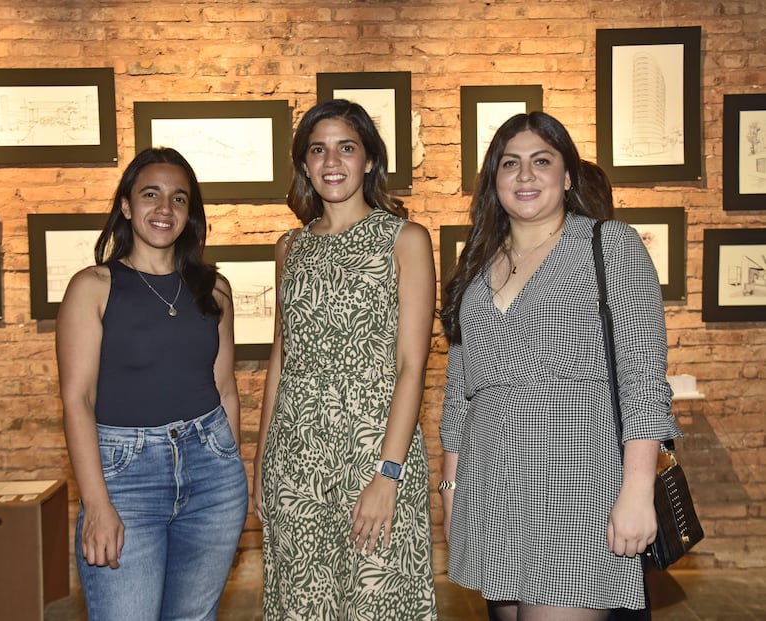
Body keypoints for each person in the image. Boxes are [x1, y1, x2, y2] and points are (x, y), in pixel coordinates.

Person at [439, 111, 681, 620]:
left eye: (541, 161)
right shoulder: (475, 269)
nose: (525, 176)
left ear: (567, 176)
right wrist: (452, 494)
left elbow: (642, 381)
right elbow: (460, 396)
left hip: (577, 486)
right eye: (511, 164)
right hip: (490, 490)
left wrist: (637, 491)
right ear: (494, 181)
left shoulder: (609, 246)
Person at [253, 99, 438, 619]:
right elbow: (281, 356)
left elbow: (411, 367)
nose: (332, 161)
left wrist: (388, 474)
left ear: (370, 161)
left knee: (379, 600)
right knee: (303, 603)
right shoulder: (290, 247)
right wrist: (263, 461)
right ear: (305, 166)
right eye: (318, 150)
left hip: (374, 449)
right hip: (297, 455)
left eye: (346, 148)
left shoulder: (406, 240)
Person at [57, 147, 248, 621]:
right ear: (126, 205)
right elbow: (77, 401)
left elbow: (225, 389)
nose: (165, 208)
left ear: (190, 213)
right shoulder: (93, 287)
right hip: (124, 479)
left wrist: (234, 471)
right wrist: (96, 505)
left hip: (212, 476)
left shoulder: (214, 289)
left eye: (179, 199)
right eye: (151, 194)